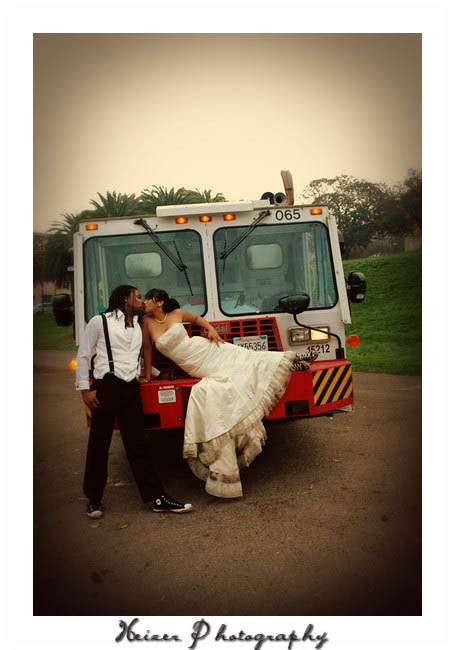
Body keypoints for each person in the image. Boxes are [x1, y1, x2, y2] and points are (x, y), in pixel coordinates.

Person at [141, 288, 307, 499]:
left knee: (248, 359)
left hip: (206, 348)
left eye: (148, 299)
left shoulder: (177, 313)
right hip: (195, 364)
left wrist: (211, 330)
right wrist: (148, 375)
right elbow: (147, 350)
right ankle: (291, 362)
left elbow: (198, 319)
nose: (144, 302)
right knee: (229, 380)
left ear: (159, 302)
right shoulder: (147, 322)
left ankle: (290, 360)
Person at [76, 285, 192, 518]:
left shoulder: (139, 325)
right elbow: (84, 355)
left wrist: (158, 373)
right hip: (107, 387)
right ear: (125, 299)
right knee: (99, 444)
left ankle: (157, 497)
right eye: (137, 296)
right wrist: (85, 389)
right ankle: (94, 499)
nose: (141, 300)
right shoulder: (100, 321)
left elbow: (134, 359)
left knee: (138, 445)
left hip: (131, 388)